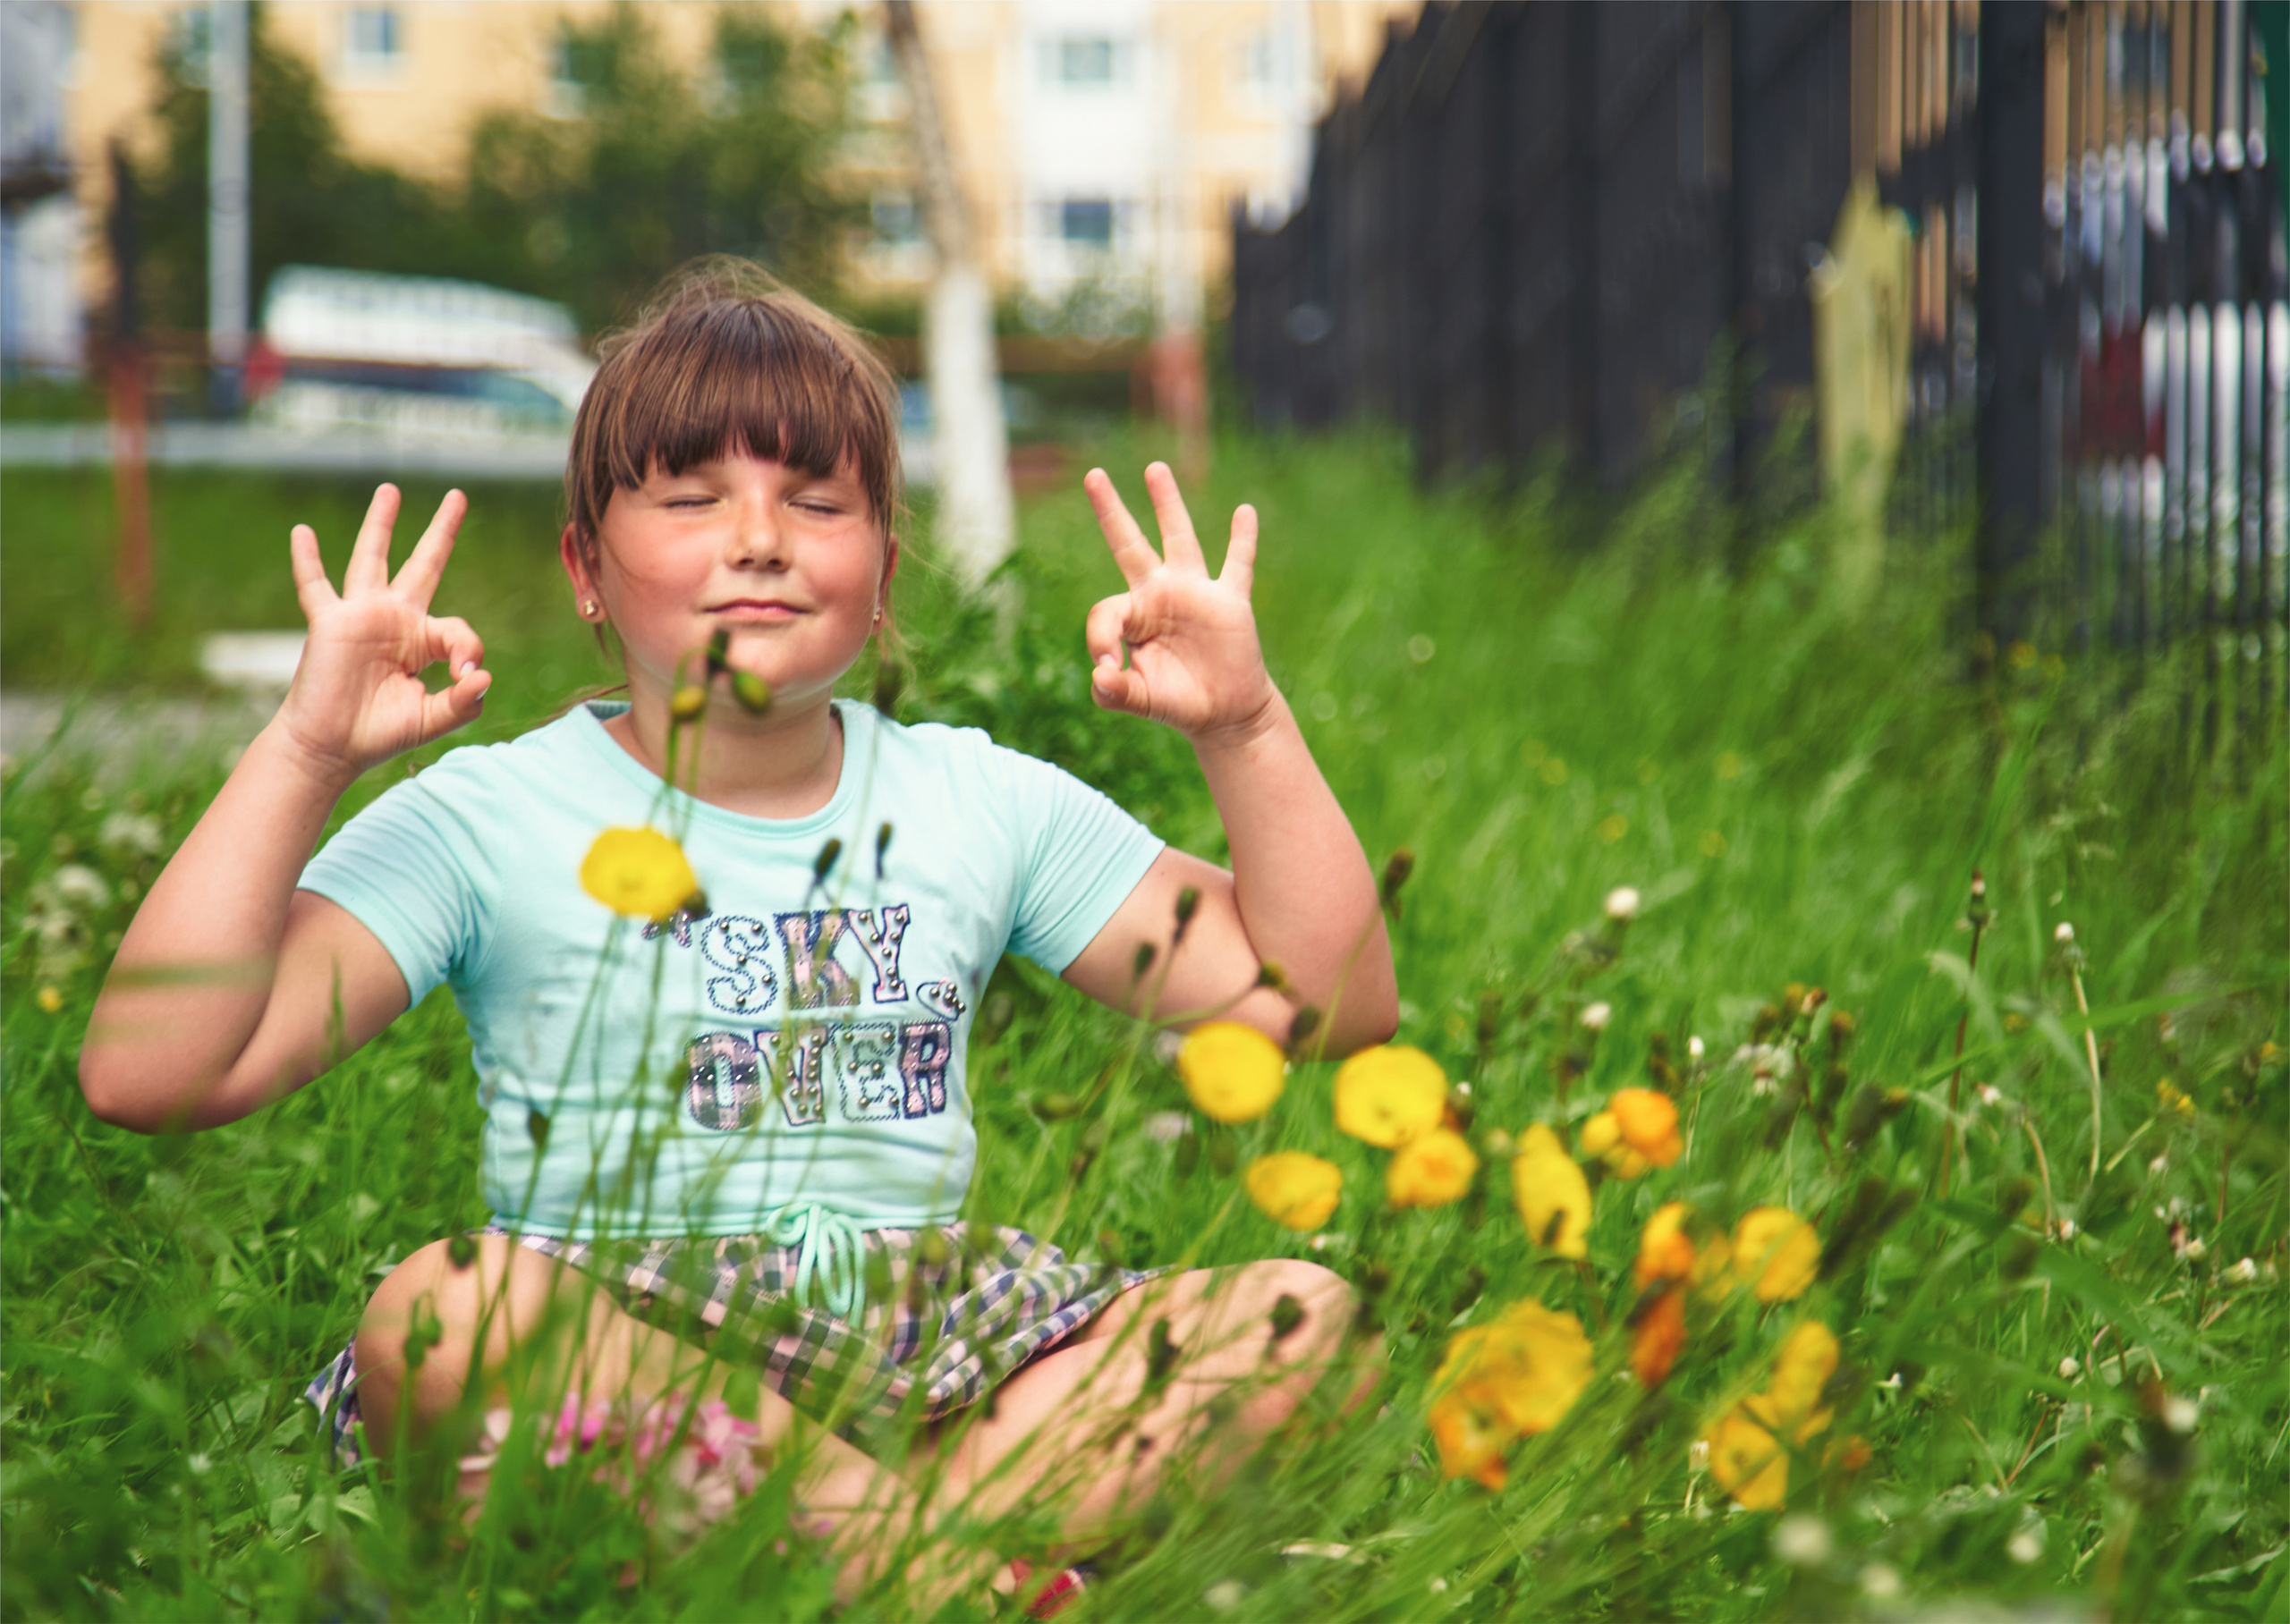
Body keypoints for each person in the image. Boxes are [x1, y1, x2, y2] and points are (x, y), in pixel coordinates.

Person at [78, 263, 1398, 1608]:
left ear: (882, 575)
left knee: (1304, 1324)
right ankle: (957, 1575)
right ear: (587, 570)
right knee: (446, 1314)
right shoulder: (493, 815)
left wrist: (1246, 725)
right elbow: (150, 1072)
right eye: (693, 498)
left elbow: (1325, 1003)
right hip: (612, 1347)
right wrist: (306, 749)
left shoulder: (978, 800)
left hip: (931, 1357)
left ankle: (863, 1563)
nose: (760, 538)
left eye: (817, 502)